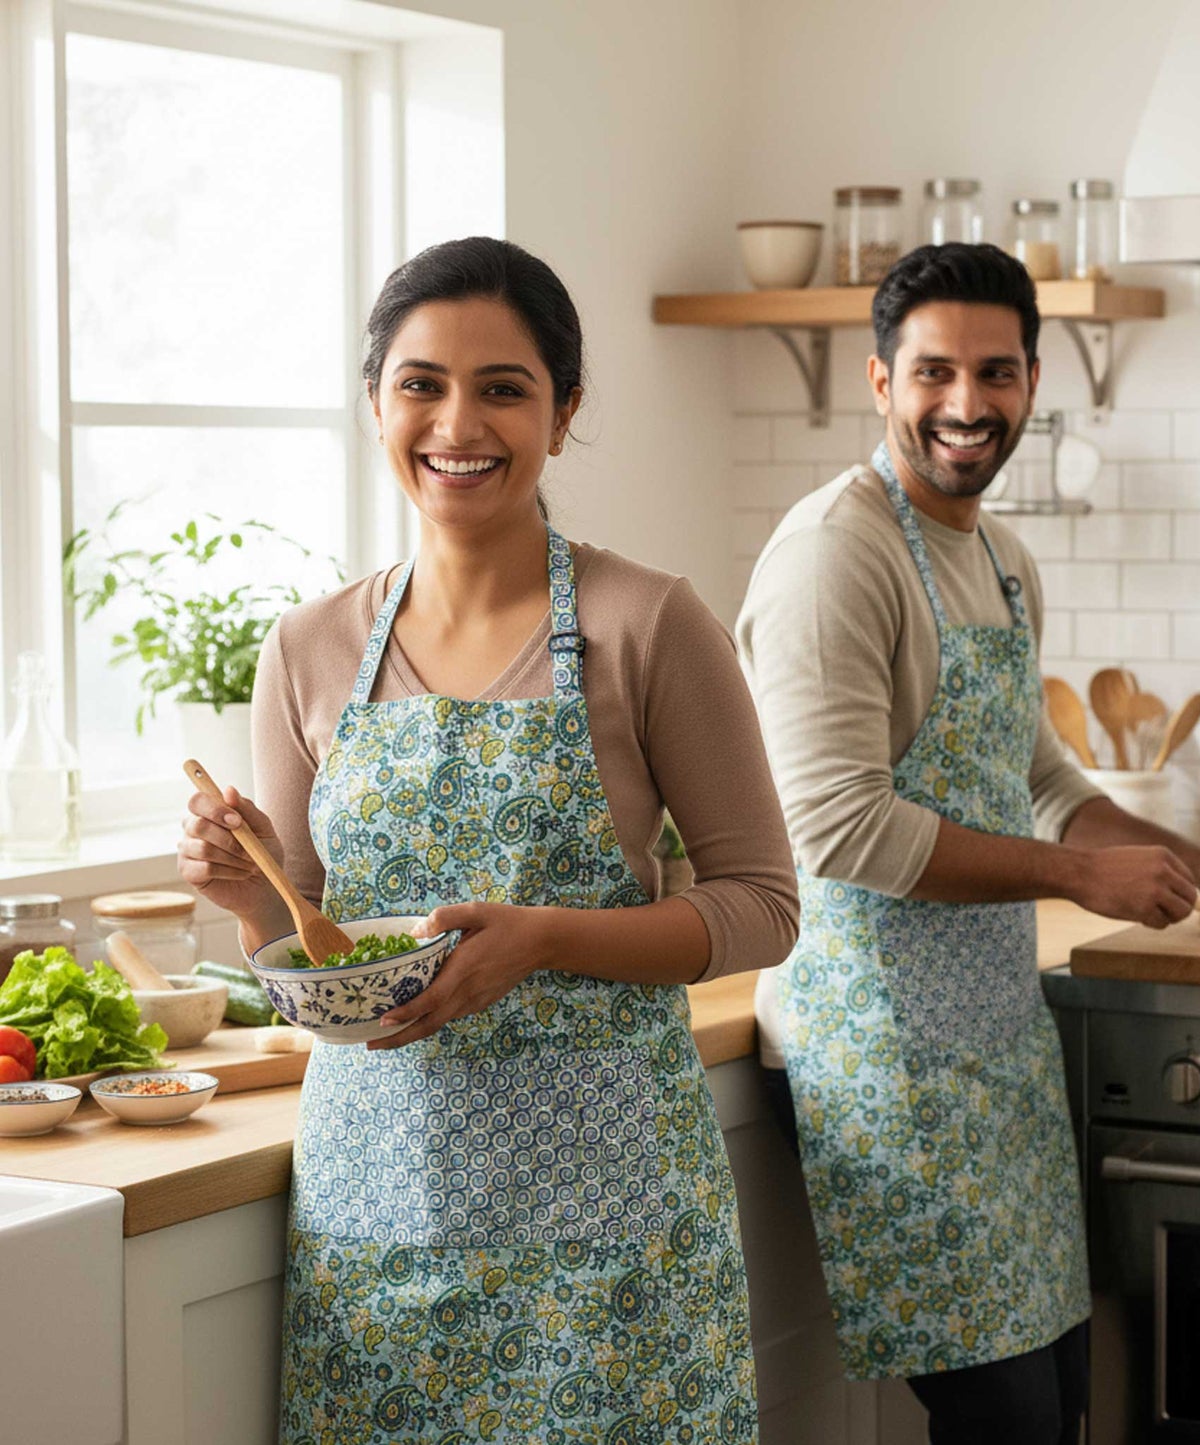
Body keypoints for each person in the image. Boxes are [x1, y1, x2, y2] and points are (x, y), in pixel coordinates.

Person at [178, 236, 799, 1444]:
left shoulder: (648, 623)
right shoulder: (306, 648)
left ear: (563, 412)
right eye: (421, 383)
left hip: (610, 1238)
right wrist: (252, 905)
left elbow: (764, 906)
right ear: (375, 404)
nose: (457, 422)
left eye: (503, 387)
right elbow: (318, 946)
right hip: (374, 1230)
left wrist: (544, 940)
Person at [736, 242, 1200, 1445]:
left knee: (1052, 1406)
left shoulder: (1001, 559)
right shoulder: (833, 553)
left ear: (1033, 380)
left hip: (993, 1047)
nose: (965, 404)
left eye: (993, 372)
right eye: (934, 371)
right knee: (1000, 1417)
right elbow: (834, 824)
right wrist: (1075, 874)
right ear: (879, 379)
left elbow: (1039, 776)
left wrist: (1199, 862)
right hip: (880, 1058)